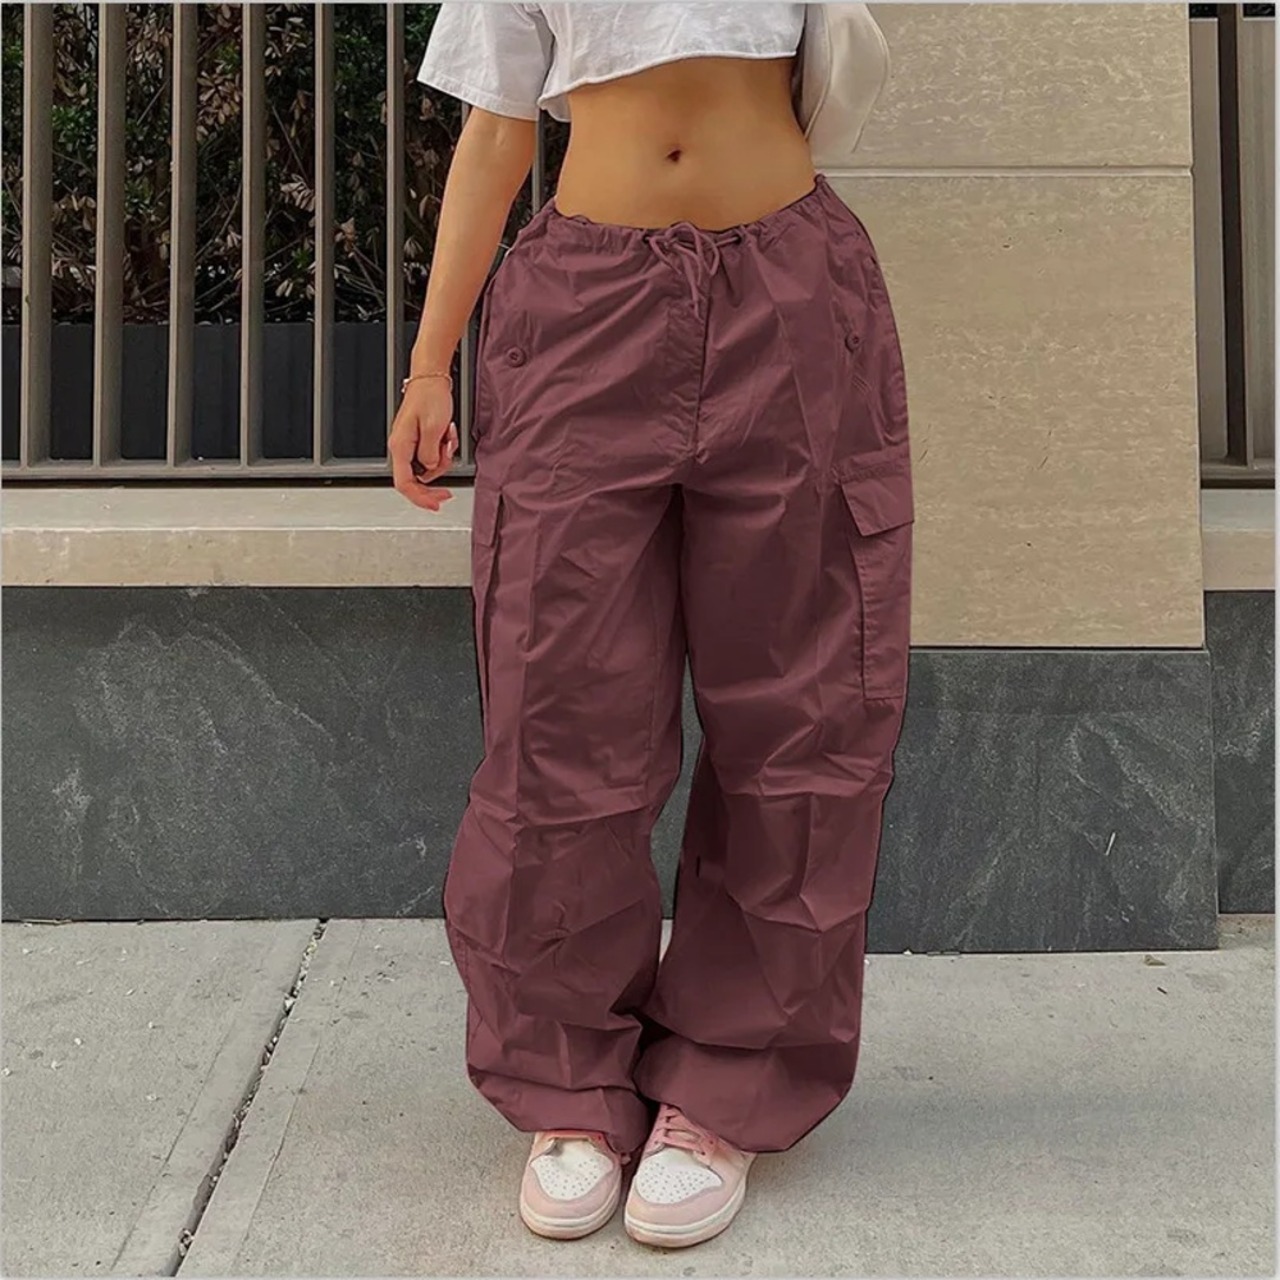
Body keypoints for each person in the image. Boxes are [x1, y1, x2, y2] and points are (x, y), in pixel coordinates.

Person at [391, 1, 914, 1251]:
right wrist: (426, 364)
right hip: (585, 301)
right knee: (556, 705)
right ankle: (567, 1079)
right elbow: (495, 131)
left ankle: (726, 1083)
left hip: (788, 291)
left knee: (800, 710)